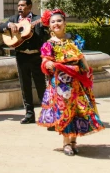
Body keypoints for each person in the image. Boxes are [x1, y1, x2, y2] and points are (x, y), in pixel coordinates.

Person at [38, 9, 104, 155]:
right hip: (61, 85)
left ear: (65, 23)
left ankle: (74, 142)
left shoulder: (73, 41)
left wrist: (87, 73)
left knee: (78, 111)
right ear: (49, 26)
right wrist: (50, 64)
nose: (56, 24)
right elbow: (45, 62)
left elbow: (81, 58)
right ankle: (66, 143)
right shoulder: (49, 44)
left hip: (78, 82)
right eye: (53, 22)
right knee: (64, 111)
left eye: (59, 21)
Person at [0, 0, 48, 124]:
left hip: (36, 56)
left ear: (30, 7)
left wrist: (39, 30)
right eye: (18, 5)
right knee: (25, 85)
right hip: (21, 56)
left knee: (41, 85)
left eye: (23, 5)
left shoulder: (38, 19)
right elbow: (0, 28)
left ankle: (47, 114)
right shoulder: (14, 19)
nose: (20, 8)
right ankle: (29, 114)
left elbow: (45, 36)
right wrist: (9, 25)